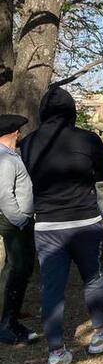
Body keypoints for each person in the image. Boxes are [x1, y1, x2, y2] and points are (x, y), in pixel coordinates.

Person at [21, 86, 103, 364]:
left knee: (52, 289)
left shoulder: (28, 143)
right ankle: (101, 332)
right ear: (71, 111)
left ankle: (55, 354)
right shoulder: (87, 139)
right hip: (84, 222)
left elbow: (30, 177)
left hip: (47, 225)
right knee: (92, 278)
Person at [0, 114, 39, 345]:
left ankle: (8, 316)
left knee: (14, 269)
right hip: (14, 221)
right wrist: (21, 219)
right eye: (19, 132)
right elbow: (4, 195)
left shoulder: (9, 155)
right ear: (14, 133)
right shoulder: (5, 159)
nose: (21, 135)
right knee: (19, 269)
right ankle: (7, 325)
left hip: (15, 220)